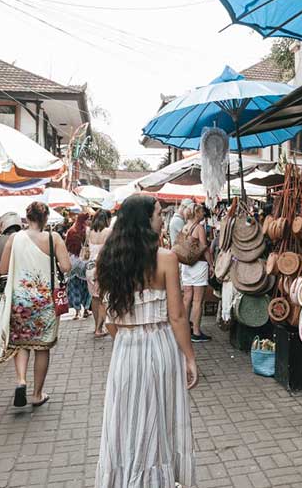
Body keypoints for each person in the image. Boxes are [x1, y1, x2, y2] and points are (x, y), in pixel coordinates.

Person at [95, 195, 196, 487]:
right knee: (162, 420)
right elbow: (177, 316)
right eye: (158, 214)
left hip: (125, 350)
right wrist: (189, 357)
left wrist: (129, 337)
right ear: (145, 220)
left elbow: (110, 318)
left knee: (127, 422)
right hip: (160, 345)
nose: (162, 218)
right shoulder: (166, 258)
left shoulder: (108, 259)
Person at [0, 202, 71, 408]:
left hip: (20, 300)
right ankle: (37, 394)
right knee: (42, 347)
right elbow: (66, 267)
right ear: (46, 218)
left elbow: (3, 269)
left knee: (22, 343)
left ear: (26, 217)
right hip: (44, 300)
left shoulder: (14, 238)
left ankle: (21, 380)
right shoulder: (53, 238)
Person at [180, 204, 212, 342]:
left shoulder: (185, 226)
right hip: (198, 265)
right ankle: (197, 332)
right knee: (198, 300)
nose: (204, 213)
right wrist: (212, 264)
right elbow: (204, 249)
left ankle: (185, 329)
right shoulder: (199, 228)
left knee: (187, 298)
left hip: (186, 266)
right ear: (197, 213)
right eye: (202, 211)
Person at [86, 209, 112, 337]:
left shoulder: (89, 231)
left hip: (89, 267)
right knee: (103, 297)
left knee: (94, 298)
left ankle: (96, 325)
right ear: (106, 219)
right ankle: (99, 329)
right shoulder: (108, 232)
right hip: (102, 266)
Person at [64, 212, 91, 319]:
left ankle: (76, 311)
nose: (89, 221)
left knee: (73, 287)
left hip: (73, 262)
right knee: (85, 287)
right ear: (84, 220)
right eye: (88, 219)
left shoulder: (70, 231)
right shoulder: (87, 231)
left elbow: (66, 246)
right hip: (84, 261)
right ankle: (86, 309)